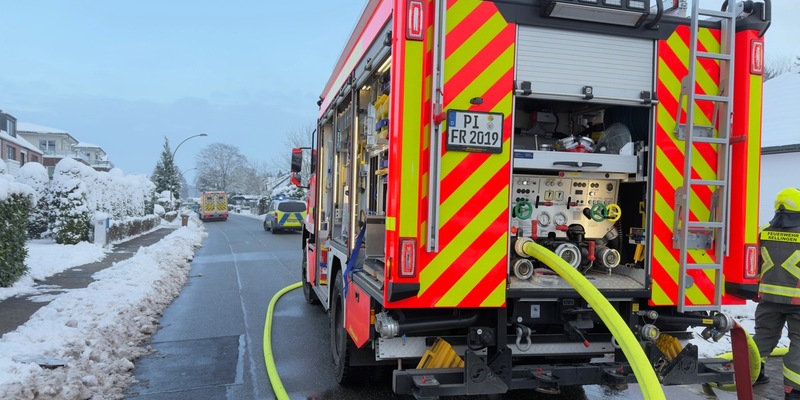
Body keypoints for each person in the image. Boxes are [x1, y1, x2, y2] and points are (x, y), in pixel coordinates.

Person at [753, 187, 800, 399]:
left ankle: (752, 374)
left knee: (763, 336)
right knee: (798, 343)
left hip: (768, 298)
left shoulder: (762, 230)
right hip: (798, 301)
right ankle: (793, 391)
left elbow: (754, 262)